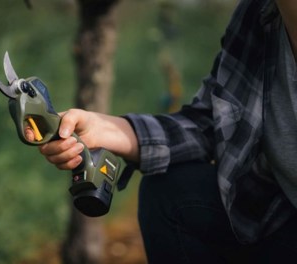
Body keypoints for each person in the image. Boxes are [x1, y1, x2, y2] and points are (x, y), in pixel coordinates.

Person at [25, 0, 297, 263]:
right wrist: (114, 130)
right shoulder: (259, 14)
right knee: (172, 194)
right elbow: (211, 124)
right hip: (281, 218)